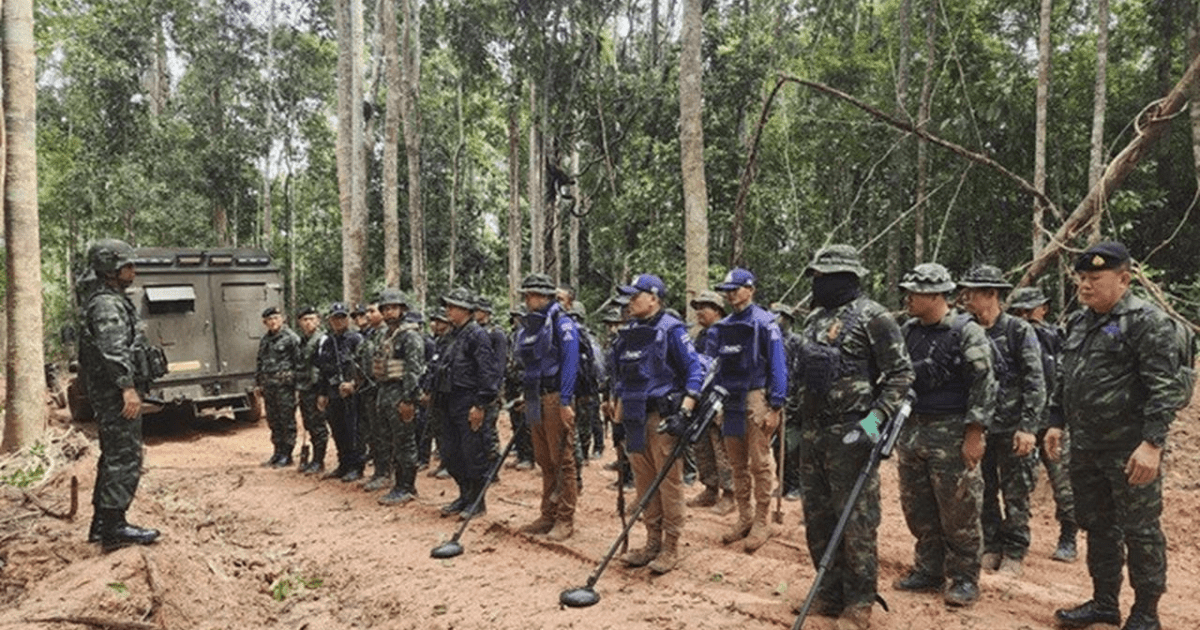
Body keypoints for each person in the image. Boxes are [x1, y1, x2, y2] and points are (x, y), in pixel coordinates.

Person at [1046, 242, 1193, 630]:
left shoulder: (1148, 322)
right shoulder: (1080, 322)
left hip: (1130, 449)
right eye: (1082, 278)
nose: (1085, 286)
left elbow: (1166, 389)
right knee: (1097, 525)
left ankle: (1145, 612)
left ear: (1123, 280)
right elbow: (1066, 378)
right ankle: (1104, 602)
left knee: (1141, 531)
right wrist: (1056, 420)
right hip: (1088, 448)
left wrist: (1152, 444)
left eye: (1095, 278)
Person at [791, 245, 913, 629]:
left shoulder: (873, 318)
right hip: (814, 432)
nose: (818, 284)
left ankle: (858, 602)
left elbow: (901, 376)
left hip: (854, 430)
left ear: (845, 278)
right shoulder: (813, 318)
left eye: (824, 277)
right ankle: (828, 592)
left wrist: (873, 425)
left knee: (856, 520)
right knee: (818, 516)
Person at [893, 263, 995, 607]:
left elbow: (983, 385)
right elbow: (893, 382)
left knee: (959, 510)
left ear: (936, 295)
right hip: (912, 431)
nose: (908, 298)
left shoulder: (966, 331)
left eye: (915, 292)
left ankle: (965, 578)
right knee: (917, 507)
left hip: (952, 433)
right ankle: (929, 569)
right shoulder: (908, 331)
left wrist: (974, 434)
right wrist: (870, 429)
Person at [610, 274, 706, 574]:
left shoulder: (672, 330)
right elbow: (622, 377)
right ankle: (651, 541)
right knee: (644, 483)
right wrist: (617, 413)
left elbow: (694, 371)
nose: (630, 302)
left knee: (669, 483)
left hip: (662, 417)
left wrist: (686, 410)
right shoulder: (628, 333)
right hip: (634, 416)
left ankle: (671, 546)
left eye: (636, 296)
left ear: (654, 298)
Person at [958, 265, 1046, 577]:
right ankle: (991, 545)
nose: (965, 298)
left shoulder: (1018, 331)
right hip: (980, 427)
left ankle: (1015, 550)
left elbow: (1035, 381)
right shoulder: (965, 329)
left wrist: (1028, 427)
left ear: (991, 295)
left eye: (973, 292)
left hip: (1012, 426)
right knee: (983, 490)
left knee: (1016, 491)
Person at [79, 238, 163, 550]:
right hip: (115, 392)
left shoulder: (112, 298)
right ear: (111, 268)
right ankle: (115, 528)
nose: (133, 269)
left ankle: (102, 524)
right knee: (125, 456)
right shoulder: (106, 304)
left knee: (114, 455)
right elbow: (112, 351)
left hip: (112, 390)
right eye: (127, 264)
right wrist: (127, 388)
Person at [711, 268, 788, 553]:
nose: (731, 294)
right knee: (737, 463)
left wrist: (776, 405)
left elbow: (778, 365)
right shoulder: (724, 326)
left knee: (759, 462)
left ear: (750, 289)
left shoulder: (766, 323)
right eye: (727, 289)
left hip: (756, 397)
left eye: (736, 288)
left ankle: (762, 520)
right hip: (729, 399)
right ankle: (744, 515)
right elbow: (716, 365)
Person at [1009, 286, 1078, 562]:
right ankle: (1013, 540)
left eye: (1030, 310)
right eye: (1019, 312)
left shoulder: (1058, 336)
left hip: (1052, 421)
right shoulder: (1011, 335)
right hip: (1021, 420)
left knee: (1063, 483)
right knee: (1018, 483)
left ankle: (1069, 536)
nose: (1026, 317)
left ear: (1044, 309)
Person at [515, 273, 581, 542]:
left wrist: (566, 400)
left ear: (546, 297)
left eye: (534, 294)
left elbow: (570, 362)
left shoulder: (563, 323)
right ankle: (547, 513)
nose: (529, 299)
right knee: (543, 458)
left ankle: (565, 518)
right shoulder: (529, 326)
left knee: (562, 459)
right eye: (527, 295)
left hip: (555, 397)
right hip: (533, 397)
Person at [434, 288, 501, 519]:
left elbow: (487, 371)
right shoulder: (451, 336)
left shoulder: (477, 335)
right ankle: (463, 496)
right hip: (449, 400)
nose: (448, 311)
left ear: (466, 310)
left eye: (452, 307)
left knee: (473, 453)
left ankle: (476, 501)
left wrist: (480, 404)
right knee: (451, 453)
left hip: (469, 400)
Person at [370, 288, 426, 505]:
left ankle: (407, 486)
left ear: (402, 309)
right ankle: (397, 483)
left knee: (405, 442)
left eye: (393, 308)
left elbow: (414, 370)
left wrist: (408, 400)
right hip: (385, 392)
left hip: (401, 394)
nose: (389, 312)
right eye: (385, 308)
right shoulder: (385, 335)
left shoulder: (410, 336)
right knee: (389, 441)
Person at [686, 290, 735, 515]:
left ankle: (729, 494)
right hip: (701, 397)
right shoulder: (701, 335)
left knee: (721, 446)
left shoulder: (726, 331)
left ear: (716, 310)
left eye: (703, 307)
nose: (698, 312)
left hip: (720, 397)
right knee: (702, 445)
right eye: (696, 308)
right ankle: (710, 488)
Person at [317, 302, 365, 482]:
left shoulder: (356, 339)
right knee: (337, 430)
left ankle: (356, 466)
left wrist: (353, 384)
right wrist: (322, 393)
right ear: (329, 320)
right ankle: (343, 464)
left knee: (353, 431)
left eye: (342, 317)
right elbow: (323, 369)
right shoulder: (328, 342)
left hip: (351, 393)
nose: (338, 321)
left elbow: (364, 367)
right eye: (335, 318)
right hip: (333, 392)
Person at [256, 306, 301, 468]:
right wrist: (258, 383)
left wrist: (298, 386)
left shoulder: (291, 338)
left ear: (282, 319)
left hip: (285, 387)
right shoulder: (265, 340)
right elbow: (260, 362)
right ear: (265, 322)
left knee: (286, 420)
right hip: (269, 387)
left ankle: (287, 454)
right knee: (273, 420)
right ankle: (277, 451)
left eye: (276, 318)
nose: (273, 322)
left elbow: (299, 363)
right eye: (269, 319)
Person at [474, 296, 509, 483]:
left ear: (486, 313)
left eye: (478, 310)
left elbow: (500, 364)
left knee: (488, 431)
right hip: (477, 388)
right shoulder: (474, 332)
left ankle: (493, 469)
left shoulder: (497, 334)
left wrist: (494, 389)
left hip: (491, 389)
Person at [772, 302, 805, 502]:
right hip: (777, 400)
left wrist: (795, 399)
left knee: (792, 446)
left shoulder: (797, 342)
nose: (777, 320)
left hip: (794, 402)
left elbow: (800, 373)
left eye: (781, 316)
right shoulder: (771, 341)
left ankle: (796, 485)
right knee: (777, 447)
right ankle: (783, 482)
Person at [294, 306, 330, 474]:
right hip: (304, 388)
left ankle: (318, 460)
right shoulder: (302, 341)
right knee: (309, 424)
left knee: (318, 425)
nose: (308, 323)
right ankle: (313, 459)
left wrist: (322, 390)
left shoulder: (322, 339)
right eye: (304, 320)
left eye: (311, 319)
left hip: (317, 388)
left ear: (318, 320)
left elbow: (323, 366)